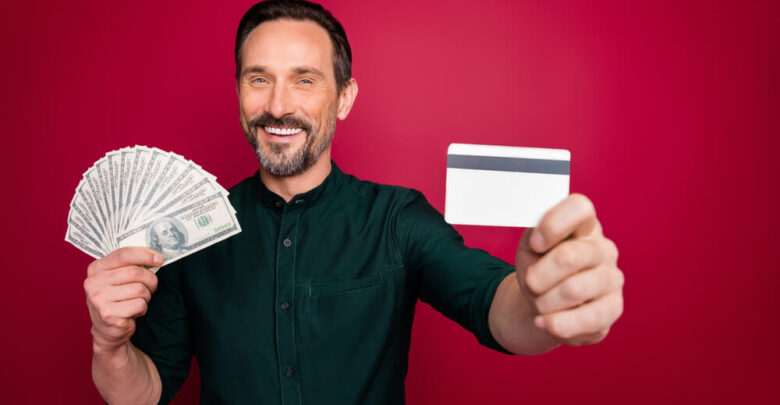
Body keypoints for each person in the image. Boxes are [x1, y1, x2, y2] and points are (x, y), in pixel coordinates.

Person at [83, 1, 624, 404]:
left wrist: (540, 301)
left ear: (344, 97)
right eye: (259, 79)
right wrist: (110, 346)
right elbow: (144, 393)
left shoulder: (396, 219)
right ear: (240, 92)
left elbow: (495, 307)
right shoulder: (188, 236)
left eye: (305, 80)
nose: (277, 104)